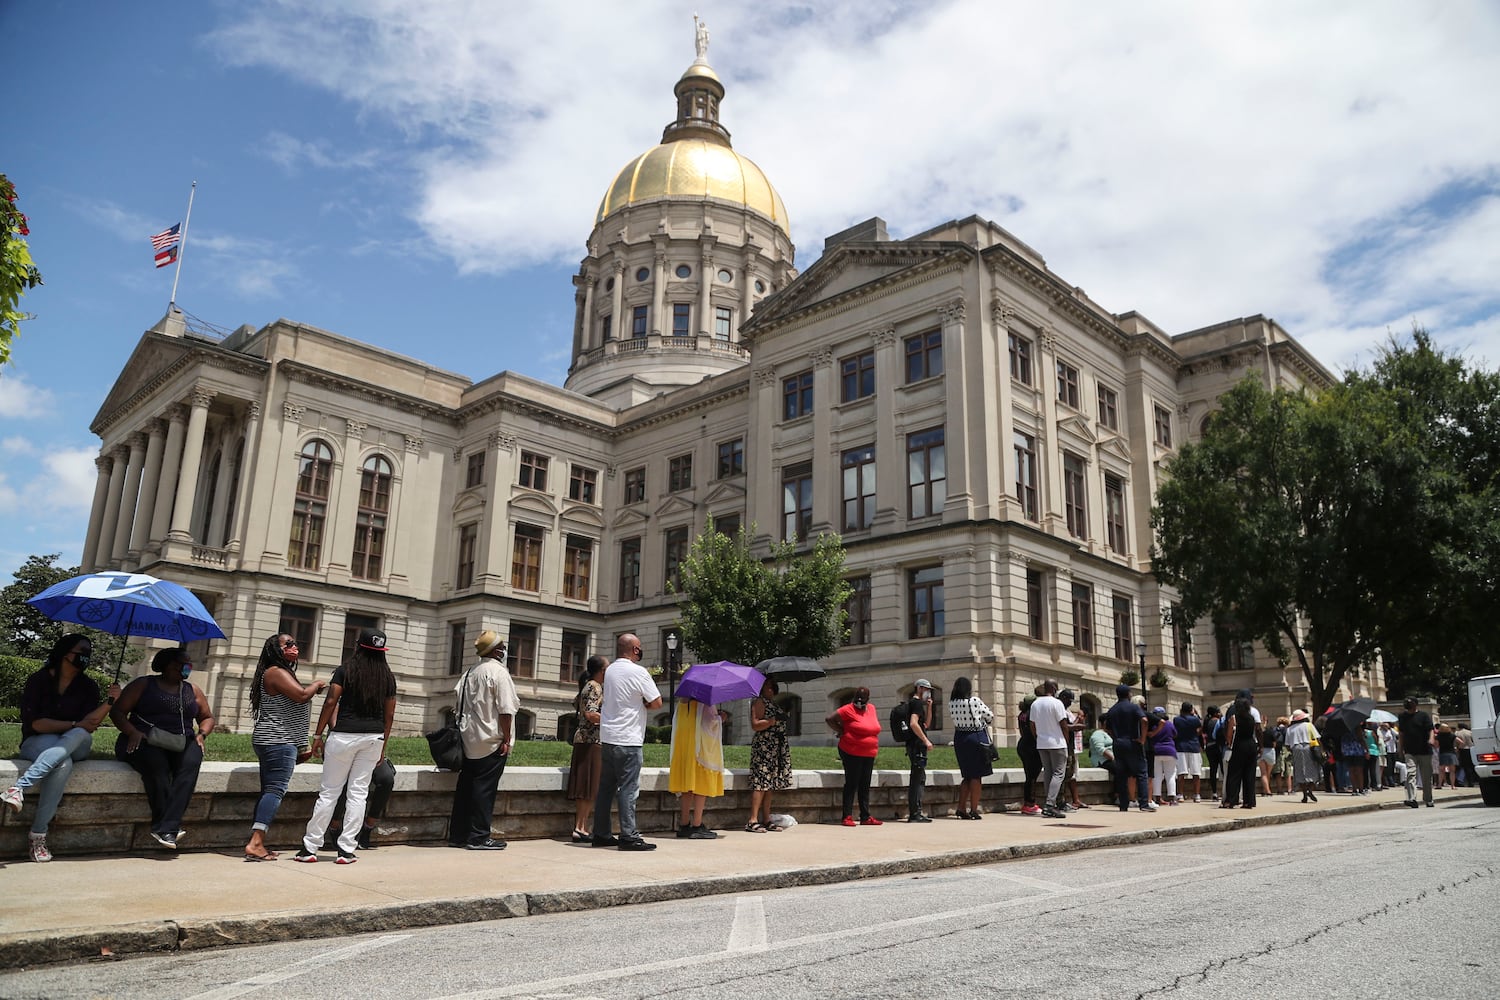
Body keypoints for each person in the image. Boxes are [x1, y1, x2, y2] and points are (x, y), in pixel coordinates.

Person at [3, 634, 121, 863]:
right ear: (65, 653)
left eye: (88, 652)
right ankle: (38, 835)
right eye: (81, 651)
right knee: (63, 762)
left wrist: (110, 702)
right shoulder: (38, 681)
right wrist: (75, 724)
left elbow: (91, 725)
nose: (85, 657)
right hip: (37, 741)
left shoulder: (88, 687)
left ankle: (19, 788)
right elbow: (36, 723)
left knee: (78, 734)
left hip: (78, 743)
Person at [297, 628, 397, 863]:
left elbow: (331, 701)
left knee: (329, 792)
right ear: (382, 651)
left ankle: (310, 848)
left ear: (358, 646)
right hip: (373, 738)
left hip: (343, 736)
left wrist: (318, 734)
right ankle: (346, 850)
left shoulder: (346, 670)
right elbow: (389, 715)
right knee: (358, 794)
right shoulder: (387, 677)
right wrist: (383, 745)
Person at [111, 646, 214, 850]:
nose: (187, 668)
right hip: (142, 740)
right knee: (156, 767)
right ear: (168, 665)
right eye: (182, 664)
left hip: (180, 741)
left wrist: (201, 734)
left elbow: (207, 717)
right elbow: (118, 712)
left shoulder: (192, 690)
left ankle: (166, 827)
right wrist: (132, 731)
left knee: (191, 764)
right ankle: (167, 828)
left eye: (188, 664)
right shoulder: (143, 684)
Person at [243, 633, 326, 861]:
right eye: (288, 644)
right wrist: (317, 684)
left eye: (295, 643)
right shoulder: (275, 672)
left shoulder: (281, 673)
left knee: (269, 790)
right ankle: (256, 843)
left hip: (276, 740)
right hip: (277, 740)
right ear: (276, 650)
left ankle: (258, 842)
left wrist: (301, 746)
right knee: (274, 791)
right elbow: (301, 696)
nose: (294, 647)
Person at [447, 629, 518, 851]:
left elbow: (456, 702)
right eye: (503, 647)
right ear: (497, 651)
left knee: (466, 788)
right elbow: (506, 710)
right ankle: (479, 836)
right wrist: (507, 739)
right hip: (491, 739)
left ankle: (458, 835)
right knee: (484, 791)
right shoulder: (499, 673)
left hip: (468, 739)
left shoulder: (469, 672)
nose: (505, 651)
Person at [592, 633, 662, 851]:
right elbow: (657, 702)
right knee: (629, 790)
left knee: (606, 789)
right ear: (634, 650)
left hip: (609, 737)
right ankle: (629, 836)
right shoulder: (639, 672)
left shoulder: (610, 670)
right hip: (629, 739)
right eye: (639, 648)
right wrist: (643, 705)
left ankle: (601, 834)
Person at [669, 696, 725, 839]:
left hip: (684, 746)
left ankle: (684, 824)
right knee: (701, 785)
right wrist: (720, 718)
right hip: (700, 749)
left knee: (687, 786)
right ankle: (697, 824)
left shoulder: (683, 701)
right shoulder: (704, 701)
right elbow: (710, 723)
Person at [826, 686, 882, 826]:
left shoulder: (872, 708)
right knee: (852, 783)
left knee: (865, 784)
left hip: (869, 752)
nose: (859, 701)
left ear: (867, 699)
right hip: (851, 751)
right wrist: (842, 730)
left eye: (862, 699)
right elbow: (829, 719)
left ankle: (865, 816)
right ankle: (847, 816)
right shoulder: (847, 709)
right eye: (858, 698)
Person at [566, 655, 606, 842]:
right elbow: (591, 713)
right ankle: (580, 827)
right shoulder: (594, 687)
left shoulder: (588, 686)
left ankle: (581, 827)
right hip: (591, 741)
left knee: (587, 787)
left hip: (585, 740)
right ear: (602, 671)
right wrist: (612, 721)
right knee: (588, 786)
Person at [746, 677, 791, 832]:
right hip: (764, 747)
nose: (770, 689)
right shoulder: (759, 702)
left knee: (769, 784)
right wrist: (771, 721)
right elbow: (755, 724)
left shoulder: (773, 703)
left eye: (772, 686)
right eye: (767, 687)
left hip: (775, 748)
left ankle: (766, 819)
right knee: (760, 783)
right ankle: (752, 820)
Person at [948, 676, 994, 819]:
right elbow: (990, 716)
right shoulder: (974, 701)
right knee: (976, 776)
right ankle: (974, 810)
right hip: (975, 737)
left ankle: (961, 808)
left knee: (967, 775)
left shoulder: (952, 703)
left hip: (960, 738)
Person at [1103, 683, 1151, 812]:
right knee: (1141, 773)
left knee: (1121, 774)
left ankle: (1123, 804)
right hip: (1132, 742)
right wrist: (1143, 738)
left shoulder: (1112, 709)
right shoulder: (1133, 708)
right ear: (1129, 694)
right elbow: (1145, 721)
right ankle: (1144, 804)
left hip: (1118, 743)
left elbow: (1107, 728)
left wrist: (1115, 737)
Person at [1030, 681, 1069, 818]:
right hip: (1057, 743)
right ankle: (1050, 804)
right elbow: (1063, 724)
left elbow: (1032, 725)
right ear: (1053, 688)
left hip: (1042, 743)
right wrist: (1066, 740)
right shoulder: (1057, 703)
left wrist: (1038, 737)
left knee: (1048, 772)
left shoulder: (1035, 704)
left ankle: (1049, 802)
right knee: (1058, 773)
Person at [902, 679, 935, 822]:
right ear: (919, 688)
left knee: (920, 778)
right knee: (917, 779)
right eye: (927, 689)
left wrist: (929, 708)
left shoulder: (919, 704)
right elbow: (913, 724)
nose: (928, 692)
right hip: (916, 745)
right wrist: (925, 740)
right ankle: (915, 813)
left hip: (916, 745)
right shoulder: (915, 703)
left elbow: (926, 724)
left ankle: (917, 812)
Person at [1221, 696, 1261, 809]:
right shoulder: (1251, 718)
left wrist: (1229, 744)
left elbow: (1229, 735)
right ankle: (1249, 801)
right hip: (1251, 746)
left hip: (1239, 746)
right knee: (1249, 774)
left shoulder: (1234, 718)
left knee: (1234, 774)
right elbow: (1258, 730)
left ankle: (1231, 800)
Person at [1397, 696, 1436, 809]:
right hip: (1410, 750)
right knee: (1410, 774)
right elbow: (1401, 733)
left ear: (1415, 704)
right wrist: (1400, 749)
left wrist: (1431, 739)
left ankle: (1428, 799)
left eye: (1410, 702)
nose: (1407, 704)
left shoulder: (1423, 716)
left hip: (1424, 750)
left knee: (1426, 777)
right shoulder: (1402, 717)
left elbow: (1430, 729)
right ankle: (1412, 799)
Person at [1058, 689, 1088, 810]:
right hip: (1064, 746)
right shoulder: (1060, 709)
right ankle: (1062, 801)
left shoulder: (1066, 710)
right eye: (1069, 700)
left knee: (1071, 774)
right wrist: (1077, 725)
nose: (1070, 703)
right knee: (1064, 774)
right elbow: (1065, 727)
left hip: (1071, 746)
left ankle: (1072, 800)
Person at [1016, 690, 1043, 816]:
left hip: (1022, 745)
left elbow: (1022, 731)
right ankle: (1029, 804)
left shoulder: (1021, 714)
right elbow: (1035, 730)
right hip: (1032, 746)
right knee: (1032, 776)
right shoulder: (1033, 714)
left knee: (1029, 775)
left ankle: (1029, 803)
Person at [1285, 709, 1321, 802]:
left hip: (1296, 749)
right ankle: (1310, 789)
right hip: (1308, 747)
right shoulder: (1309, 726)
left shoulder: (1290, 729)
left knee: (1299, 771)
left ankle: (1304, 794)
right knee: (1313, 769)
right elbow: (1317, 738)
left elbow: (1287, 744)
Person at [1147, 707, 1178, 805]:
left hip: (1156, 751)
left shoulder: (1152, 725)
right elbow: (1175, 734)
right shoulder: (1169, 724)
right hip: (1170, 750)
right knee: (1171, 775)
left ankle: (1157, 798)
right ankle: (1172, 798)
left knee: (1157, 775)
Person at [1173, 702, 1203, 802]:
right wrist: (1195, 713)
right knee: (1196, 773)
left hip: (1181, 747)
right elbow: (1200, 728)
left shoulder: (1177, 720)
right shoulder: (1195, 720)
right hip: (1194, 747)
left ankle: (1180, 794)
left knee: (1181, 773)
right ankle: (1197, 795)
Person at [1202, 705, 1224, 800]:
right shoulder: (1219, 721)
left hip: (1209, 747)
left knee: (1213, 770)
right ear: (1216, 713)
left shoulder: (1207, 722)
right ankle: (1225, 791)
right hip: (1218, 746)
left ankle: (1214, 792)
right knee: (1223, 769)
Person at [1435, 723, 1458, 789]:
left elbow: (1436, 745)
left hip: (1443, 753)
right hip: (1451, 753)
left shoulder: (1438, 736)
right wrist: (1457, 748)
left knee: (1441, 770)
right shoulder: (1452, 735)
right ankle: (1453, 786)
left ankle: (1439, 785)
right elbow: (1461, 742)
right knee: (1452, 771)